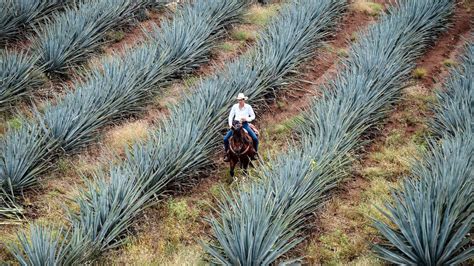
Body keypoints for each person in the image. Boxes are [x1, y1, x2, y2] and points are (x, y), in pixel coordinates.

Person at [224, 93, 259, 162]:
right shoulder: (235, 106)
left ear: (244, 100)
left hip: (244, 124)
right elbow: (230, 116)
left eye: (241, 100)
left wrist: (246, 119)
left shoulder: (248, 107)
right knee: (225, 139)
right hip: (236, 124)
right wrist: (230, 125)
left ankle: (254, 152)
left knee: (255, 138)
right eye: (238, 100)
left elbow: (253, 116)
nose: (239, 101)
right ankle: (227, 154)